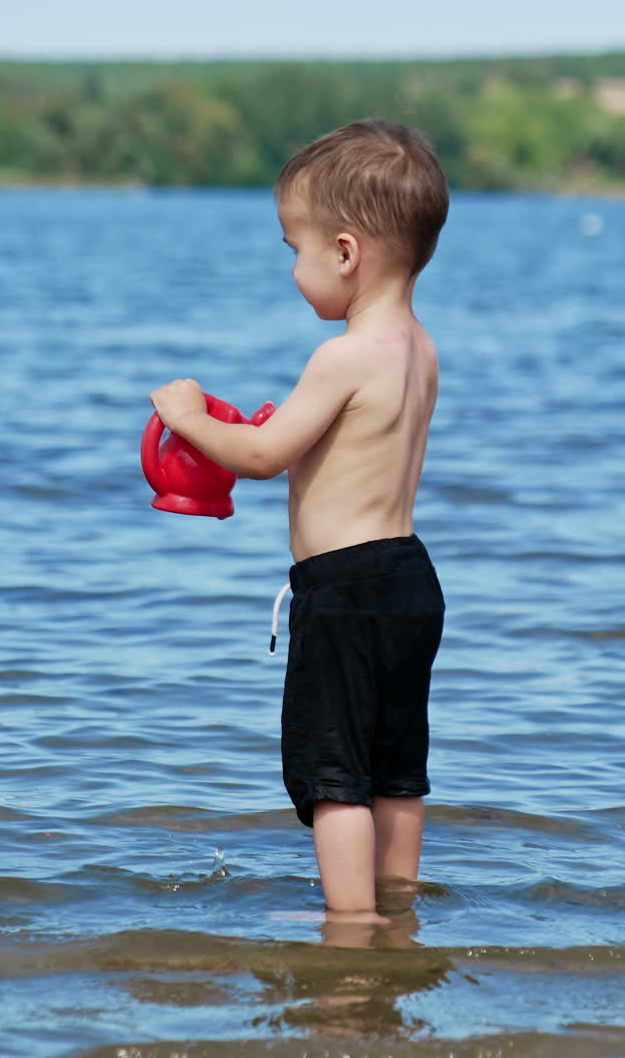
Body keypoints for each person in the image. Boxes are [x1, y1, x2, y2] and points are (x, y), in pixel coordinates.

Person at [150, 119, 448, 923]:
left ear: (346, 253)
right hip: (410, 581)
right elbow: (350, 448)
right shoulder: (418, 348)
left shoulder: (342, 356)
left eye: (296, 248)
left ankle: (350, 928)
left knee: (334, 773)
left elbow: (259, 457)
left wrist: (187, 417)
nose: (293, 268)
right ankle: (398, 905)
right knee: (396, 765)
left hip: (344, 588)